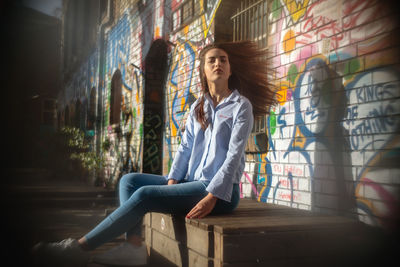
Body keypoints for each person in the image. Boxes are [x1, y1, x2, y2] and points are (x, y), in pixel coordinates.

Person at [32, 40, 276, 266]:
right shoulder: (198, 107)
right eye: (211, 60)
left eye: (223, 60)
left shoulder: (240, 105)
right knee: (129, 181)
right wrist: (171, 182)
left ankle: (79, 249)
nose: (218, 64)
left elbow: (234, 155)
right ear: (203, 69)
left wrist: (212, 196)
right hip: (192, 183)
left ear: (230, 69)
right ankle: (134, 246)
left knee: (145, 195)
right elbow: (185, 148)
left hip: (220, 193)